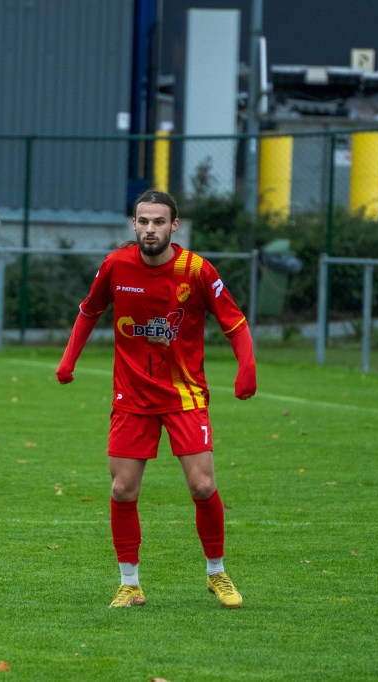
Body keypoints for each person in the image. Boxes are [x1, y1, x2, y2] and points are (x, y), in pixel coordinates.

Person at [55, 189, 256, 608]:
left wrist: (246, 368)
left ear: (174, 225)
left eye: (158, 222)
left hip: (184, 395)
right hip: (132, 397)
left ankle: (216, 573)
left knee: (203, 485)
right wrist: (68, 359)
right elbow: (89, 310)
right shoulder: (116, 265)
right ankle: (129, 584)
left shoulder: (196, 270)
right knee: (122, 490)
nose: (150, 229)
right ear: (134, 224)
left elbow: (234, 322)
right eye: (143, 221)